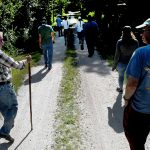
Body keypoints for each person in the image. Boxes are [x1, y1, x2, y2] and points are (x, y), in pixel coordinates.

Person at [123, 18, 150, 150]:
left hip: (141, 111)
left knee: (136, 142)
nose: (141, 33)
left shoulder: (141, 53)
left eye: (144, 30)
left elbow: (131, 84)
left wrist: (126, 99)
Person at [0, 31, 31, 142]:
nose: (3, 42)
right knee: (13, 107)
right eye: (1, 40)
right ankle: (3, 132)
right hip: (4, 87)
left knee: (6, 110)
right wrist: (25, 61)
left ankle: (7, 130)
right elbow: (15, 65)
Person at [112, 26, 139, 93]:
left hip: (121, 63)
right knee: (129, 78)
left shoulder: (119, 42)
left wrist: (114, 65)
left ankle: (121, 89)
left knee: (121, 77)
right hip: (132, 64)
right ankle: (128, 92)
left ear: (123, 32)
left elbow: (117, 55)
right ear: (131, 32)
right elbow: (137, 54)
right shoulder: (135, 42)